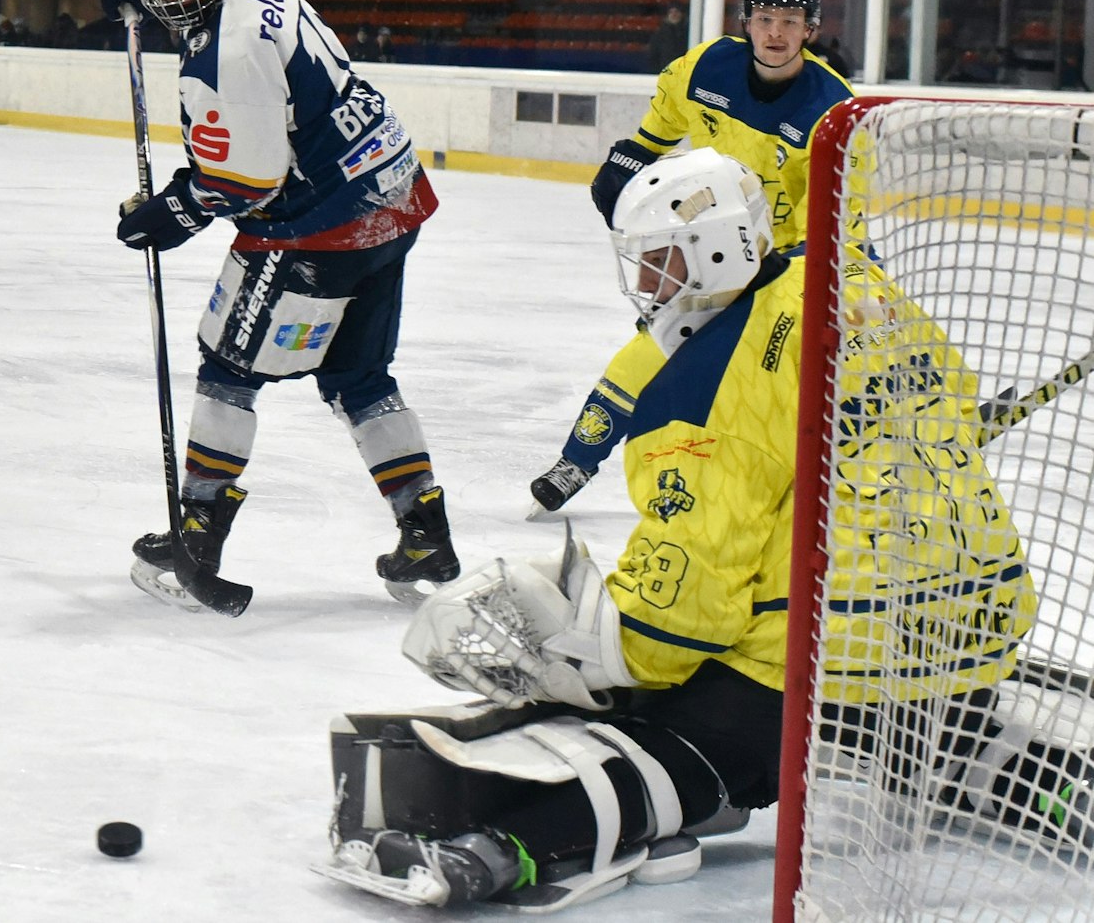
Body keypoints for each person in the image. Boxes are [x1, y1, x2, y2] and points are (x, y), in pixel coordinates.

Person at [315, 150, 1047, 910]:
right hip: (977, 625)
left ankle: (511, 847)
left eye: (659, 262)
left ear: (720, 250)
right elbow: (955, 400)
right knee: (915, 704)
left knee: (688, 731)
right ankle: (982, 751)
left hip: (838, 659)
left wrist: (586, 669)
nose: (643, 286)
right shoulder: (850, 285)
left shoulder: (700, 394)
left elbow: (684, 618)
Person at [99, 0, 453, 610]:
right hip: (390, 193)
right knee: (360, 379)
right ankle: (425, 532)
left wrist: (175, 210)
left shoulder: (228, 56)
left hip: (320, 223)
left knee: (229, 365)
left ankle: (196, 534)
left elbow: (249, 178)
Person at [527, 0, 853, 515]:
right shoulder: (703, 67)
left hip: (786, 268)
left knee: (771, 382)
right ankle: (575, 462)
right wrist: (623, 168)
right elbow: (652, 138)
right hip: (711, 252)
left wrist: (796, 268)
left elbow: (848, 226)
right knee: (649, 351)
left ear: (810, 29)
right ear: (747, 21)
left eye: (791, 20)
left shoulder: (834, 111)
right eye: (766, 17)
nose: (776, 33)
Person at [642, 4, 687, 72]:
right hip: (665, 71)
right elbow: (653, 55)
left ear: (681, 14)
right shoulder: (659, 34)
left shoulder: (688, 33)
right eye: (671, 12)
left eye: (676, 11)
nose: (674, 14)